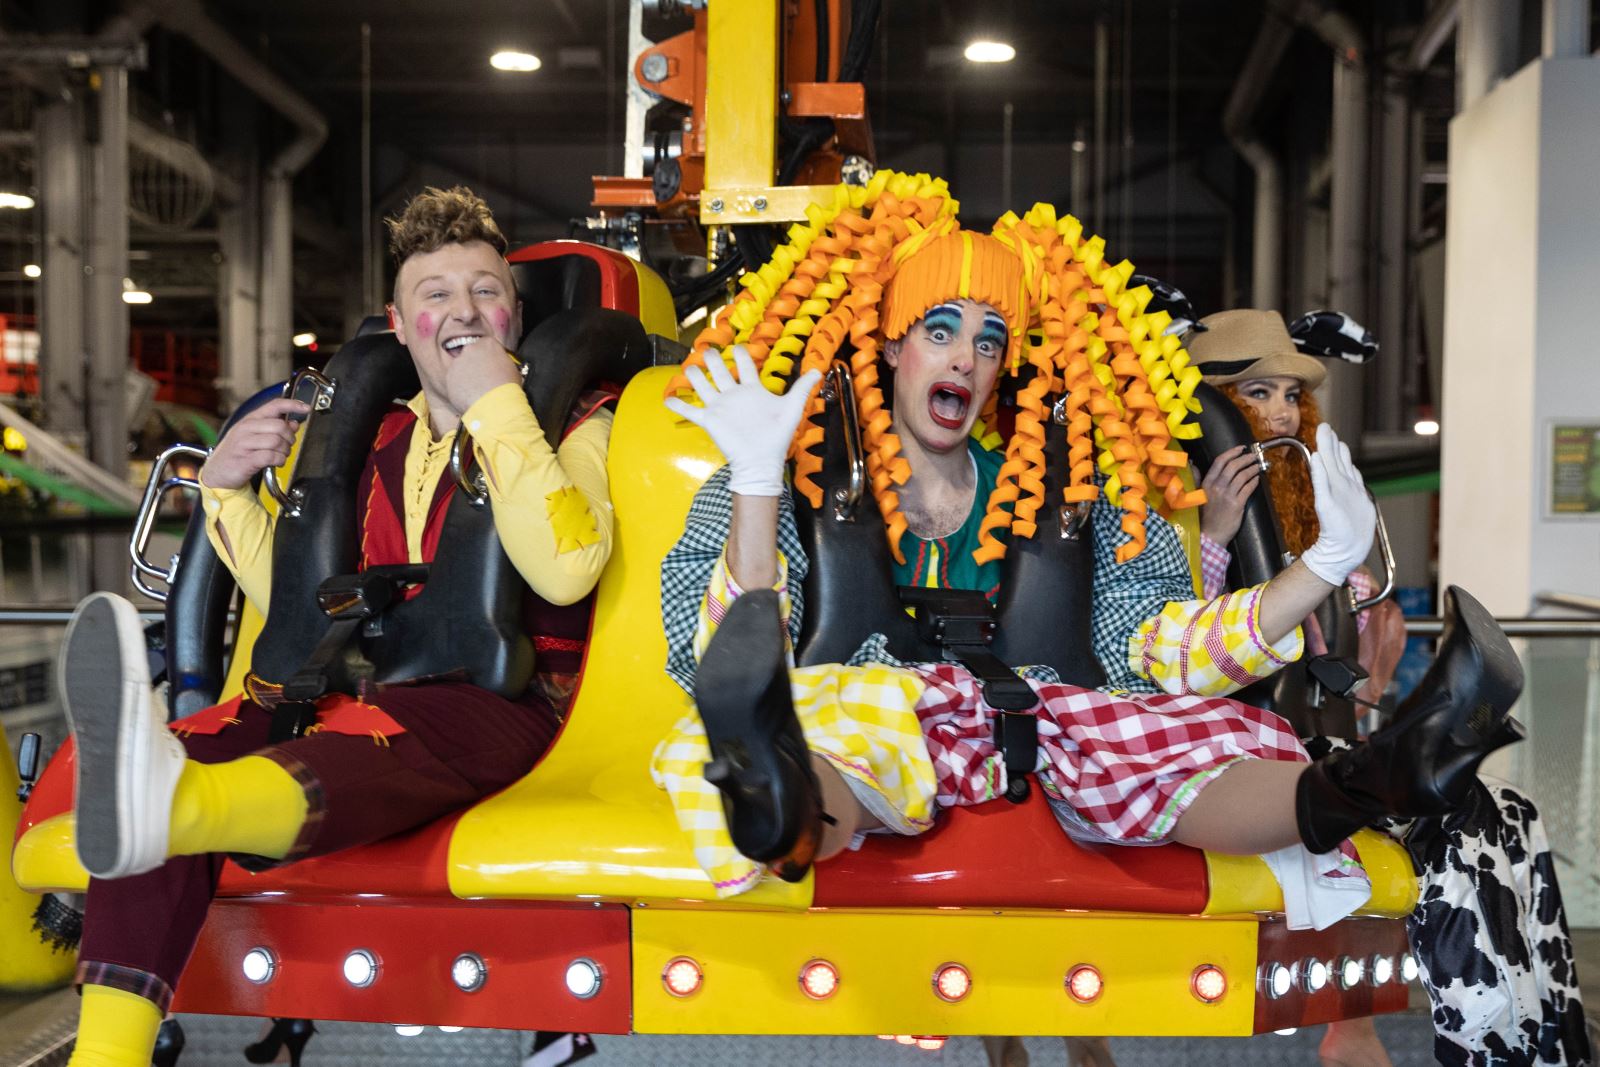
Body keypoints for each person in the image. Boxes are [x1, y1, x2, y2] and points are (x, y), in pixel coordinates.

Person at [650, 174, 1519, 927]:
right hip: (873, 714)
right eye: (942, 329)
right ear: (890, 343)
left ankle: (1381, 776)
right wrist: (759, 478)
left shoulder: (1074, 488)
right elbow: (722, 649)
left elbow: (1161, 648)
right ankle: (778, 800)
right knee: (822, 727)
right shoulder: (795, 470)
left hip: (1042, 716)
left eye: (990, 339)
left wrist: (1322, 564)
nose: (968, 356)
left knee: (1205, 735)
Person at [56, 186, 616, 1067]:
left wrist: (495, 405)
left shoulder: (581, 423)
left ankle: (174, 801)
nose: (465, 310)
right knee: (189, 749)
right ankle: (105, 1052)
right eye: (437, 295)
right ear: (401, 325)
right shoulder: (374, 439)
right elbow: (296, 598)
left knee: (233, 781)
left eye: (486, 291)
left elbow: (565, 567)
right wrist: (224, 489)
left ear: (516, 312)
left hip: (506, 702)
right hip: (358, 684)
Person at [1188, 309, 1592, 1067]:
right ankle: (1490, 1046)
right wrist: (1215, 535)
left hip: (1312, 726)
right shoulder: (1172, 511)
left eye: (1287, 394)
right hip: (1228, 743)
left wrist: (1362, 631)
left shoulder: (1304, 512)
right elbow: (1177, 650)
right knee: (1457, 822)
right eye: (1254, 392)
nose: (1278, 411)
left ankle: (1550, 1043)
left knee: (1514, 814)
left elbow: (1339, 660)